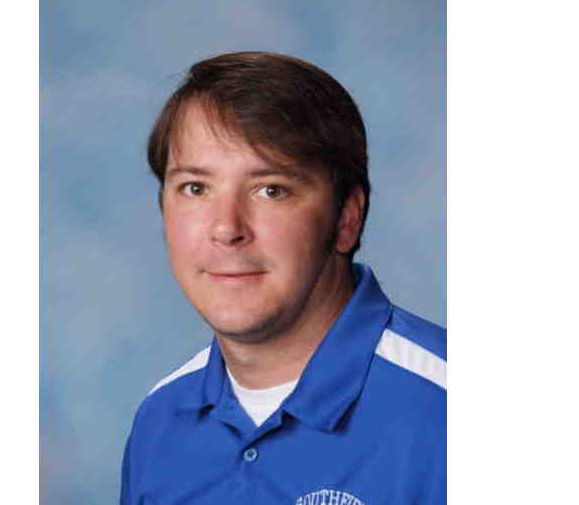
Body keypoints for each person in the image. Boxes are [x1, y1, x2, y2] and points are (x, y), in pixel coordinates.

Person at [120, 51, 446, 505]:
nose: (226, 228)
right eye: (196, 188)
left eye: (271, 190)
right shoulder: (161, 422)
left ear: (347, 218)